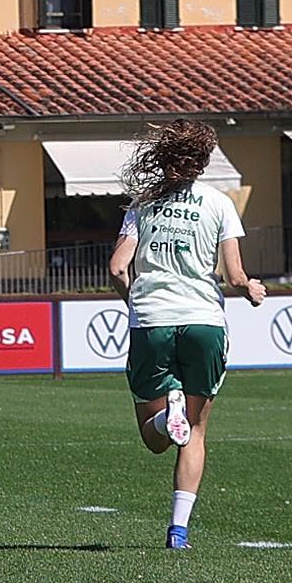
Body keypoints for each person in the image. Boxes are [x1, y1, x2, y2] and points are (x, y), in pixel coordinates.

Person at [108, 121, 264, 551]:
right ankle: (178, 530)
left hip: (153, 321)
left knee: (153, 437)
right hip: (204, 322)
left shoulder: (143, 203)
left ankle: (164, 417)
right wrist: (251, 289)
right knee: (195, 431)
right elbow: (235, 275)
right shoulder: (219, 203)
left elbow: (118, 267)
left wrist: (134, 302)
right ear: (203, 163)